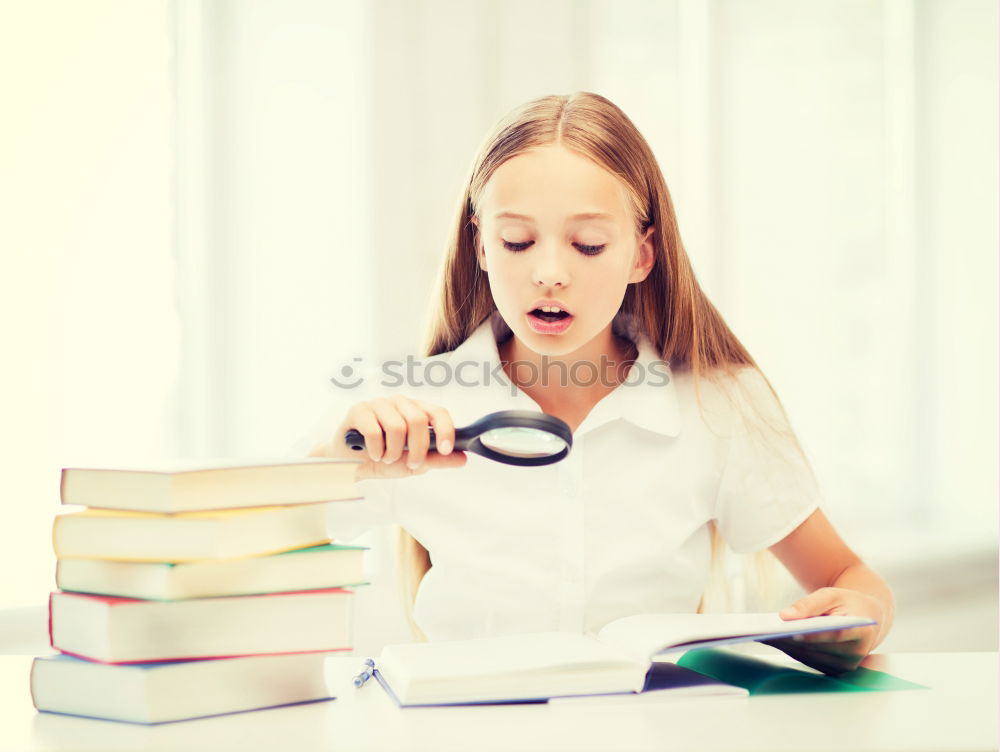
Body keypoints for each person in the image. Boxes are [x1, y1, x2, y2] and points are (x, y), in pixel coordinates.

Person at [303, 91, 894, 676]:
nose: (550, 273)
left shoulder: (718, 404)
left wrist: (860, 616)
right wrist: (338, 460)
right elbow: (247, 548)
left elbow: (850, 580)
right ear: (481, 246)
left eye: (588, 245)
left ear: (642, 255)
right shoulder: (413, 412)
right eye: (517, 242)